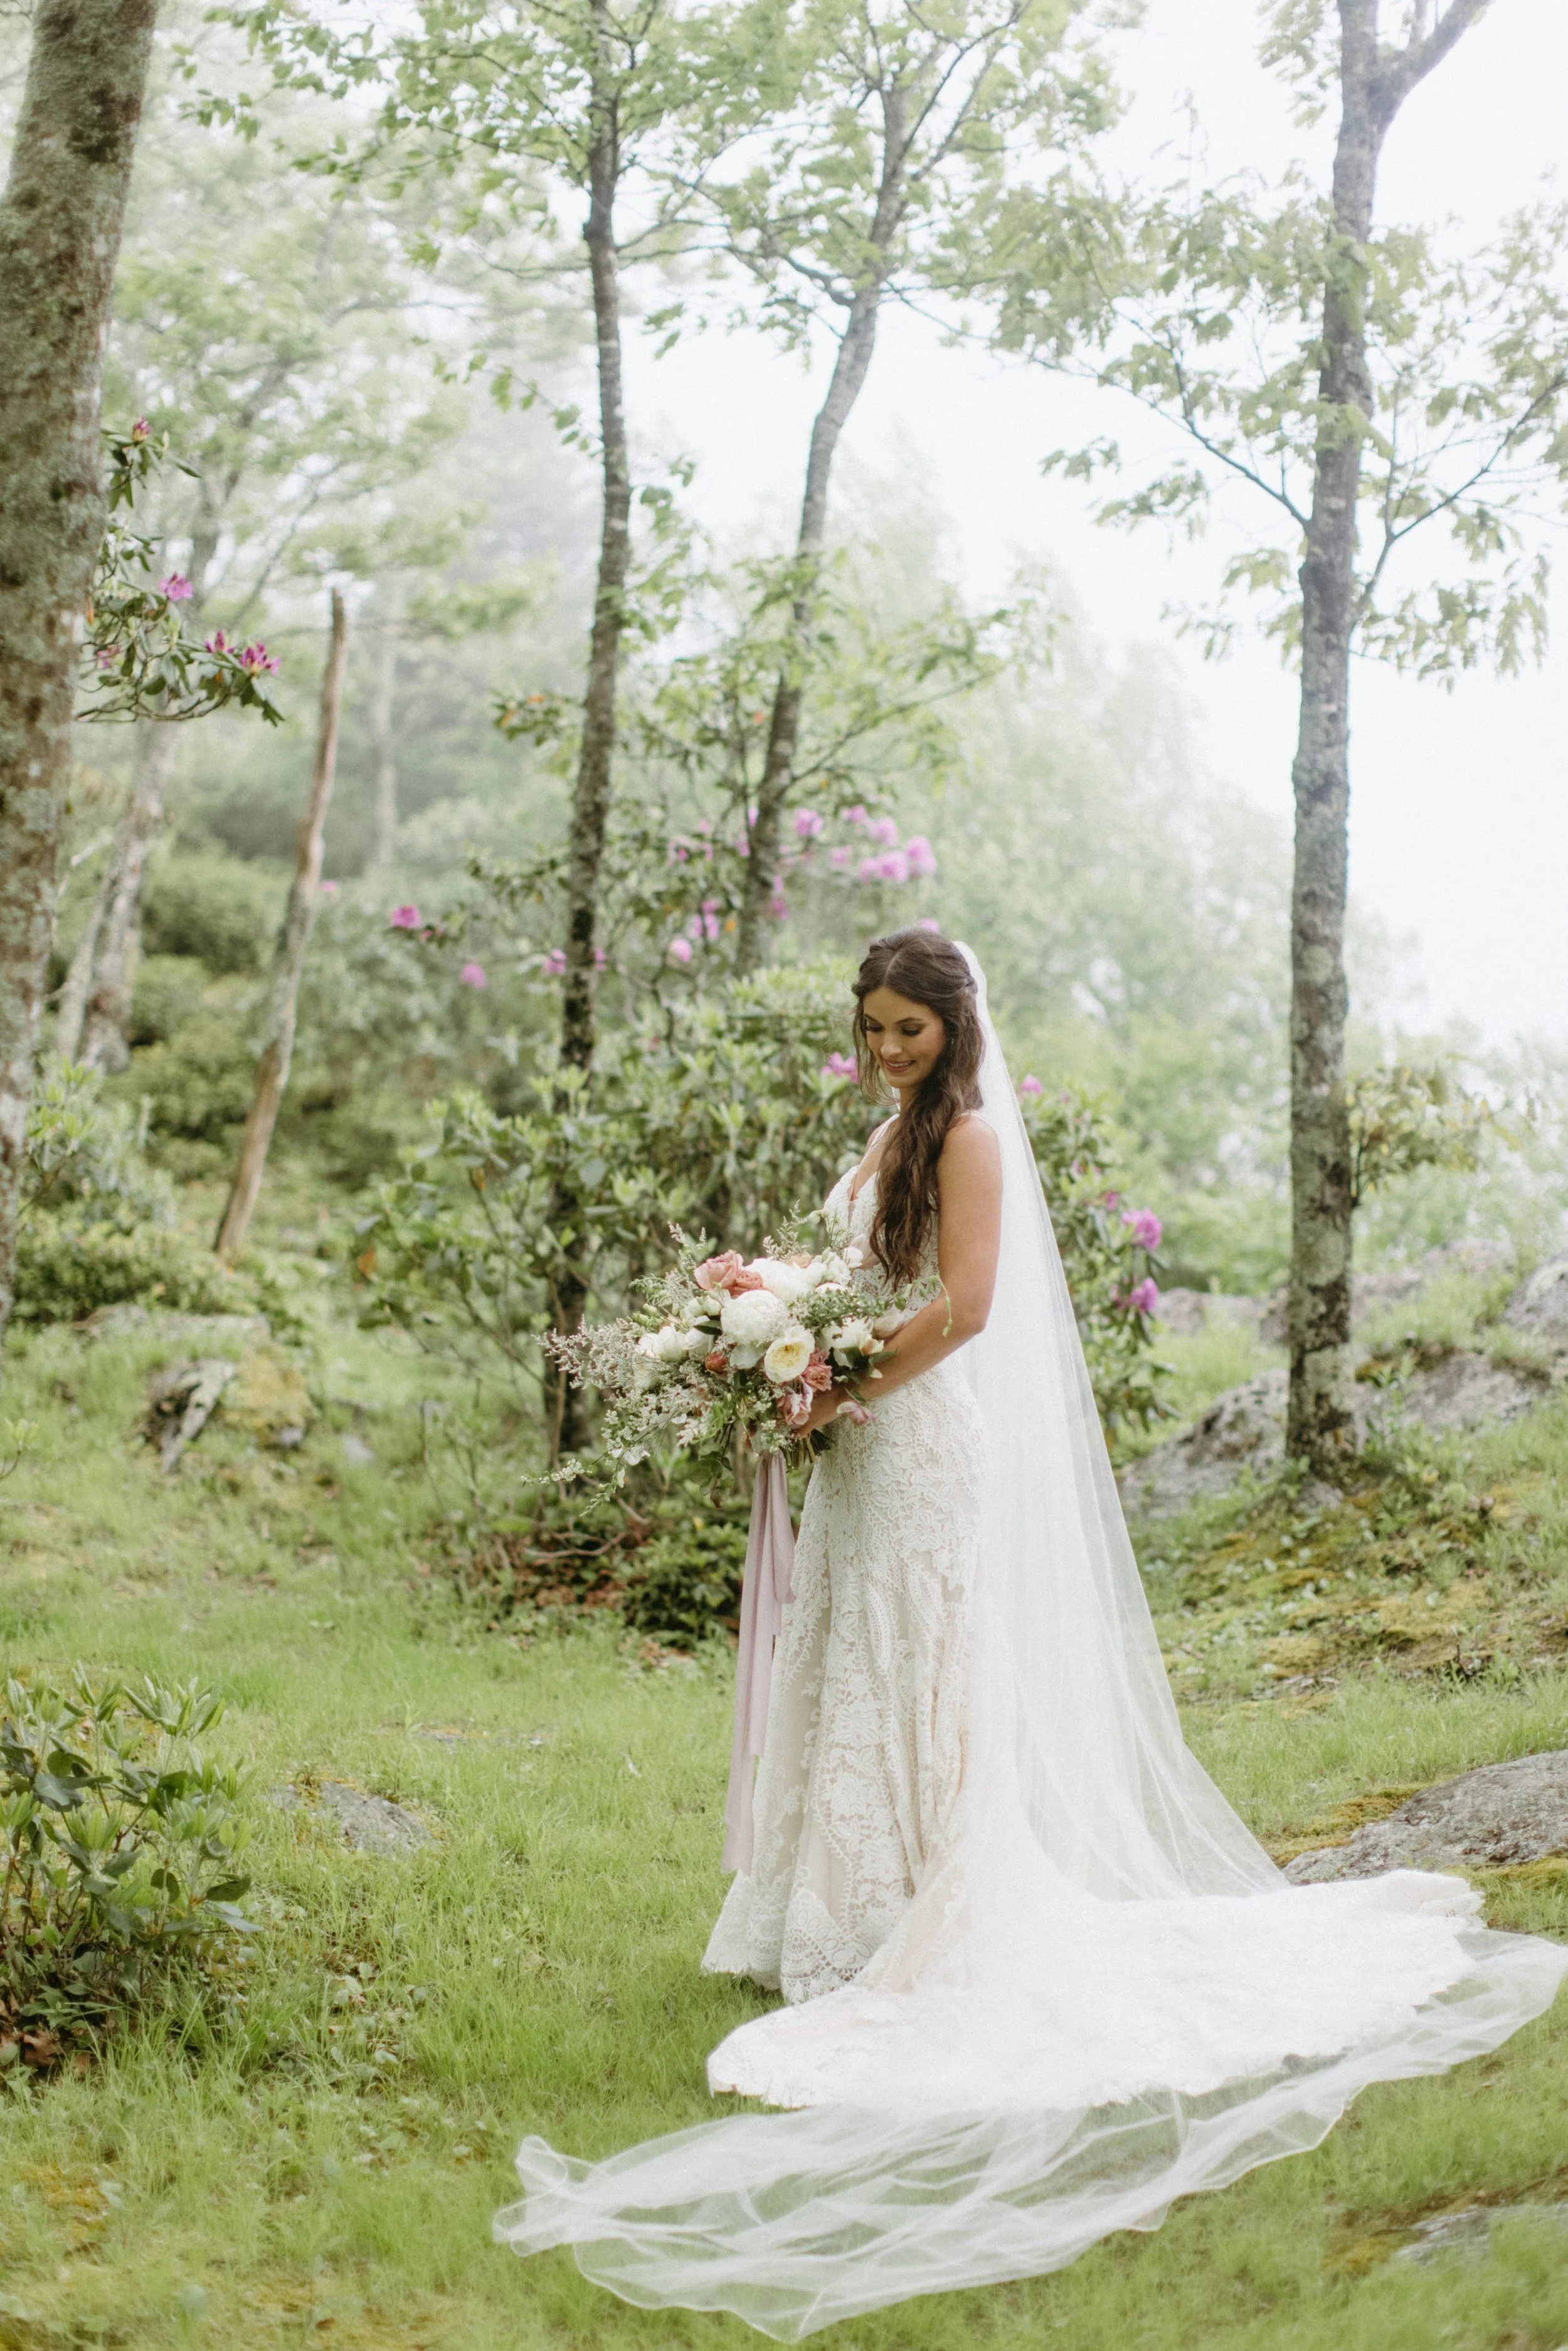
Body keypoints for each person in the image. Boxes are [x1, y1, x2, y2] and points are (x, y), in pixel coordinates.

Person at [497, 930, 1568, 2342]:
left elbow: (967, 1306)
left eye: (906, 1032)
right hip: (864, 1438)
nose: (885, 1050)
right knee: (847, 1651)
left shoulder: (974, 1138)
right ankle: (828, 1911)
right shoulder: (894, 1128)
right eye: (870, 1027)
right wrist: (765, 1297)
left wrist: (833, 1372)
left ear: (952, 1026)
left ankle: (909, 1912)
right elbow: (866, 1267)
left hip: (919, 1437)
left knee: (915, 1658)